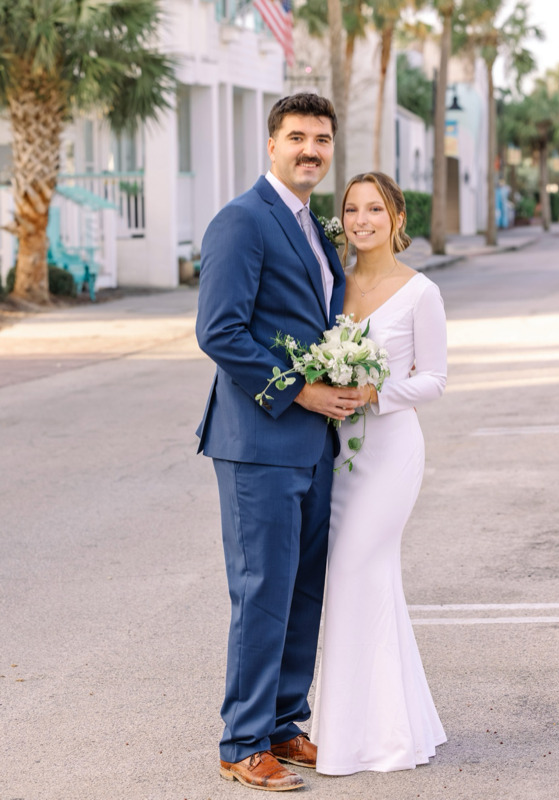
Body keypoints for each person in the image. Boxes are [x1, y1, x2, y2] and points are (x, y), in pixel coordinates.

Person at [196, 93, 370, 792]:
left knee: (302, 590)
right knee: (262, 589)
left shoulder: (313, 229)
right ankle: (241, 742)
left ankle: (284, 724)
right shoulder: (242, 221)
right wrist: (302, 391)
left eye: (321, 139)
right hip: (258, 441)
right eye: (297, 136)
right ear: (271, 145)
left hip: (314, 443)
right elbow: (221, 332)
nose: (310, 149)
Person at [310, 171, 449, 775]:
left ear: (396, 217)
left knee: (352, 571)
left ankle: (363, 737)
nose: (362, 219)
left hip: (391, 451)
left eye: (374, 209)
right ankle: (387, 722)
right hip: (338, 454)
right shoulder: (331, 285)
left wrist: (375, 391)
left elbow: (434, 379)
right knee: (365, 581)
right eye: (352, 209)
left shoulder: (420, 291)